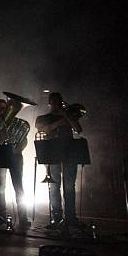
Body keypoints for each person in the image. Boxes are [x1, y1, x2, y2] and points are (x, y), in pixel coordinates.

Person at [35, 92, 83, 228]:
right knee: (54, 186)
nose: (56, 104)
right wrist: (59, 123)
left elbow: (78, 129)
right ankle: (57, 217)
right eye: (54, 101)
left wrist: (67, 116)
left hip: (70, 154)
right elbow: (41, 128)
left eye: (58, 101)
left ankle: (70, 218)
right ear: (49, 103)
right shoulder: (43, 117)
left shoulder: (68, 116)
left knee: (69, 186)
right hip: (52, 153)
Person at [0, 98, 29, 230]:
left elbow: (24, 140)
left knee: (18, 186)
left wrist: (18, 148)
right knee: (0, 186)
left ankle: (23, 217)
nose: (1, 111)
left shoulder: (18, 123)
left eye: (4, 109)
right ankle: (1, 216)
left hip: (15, 157)